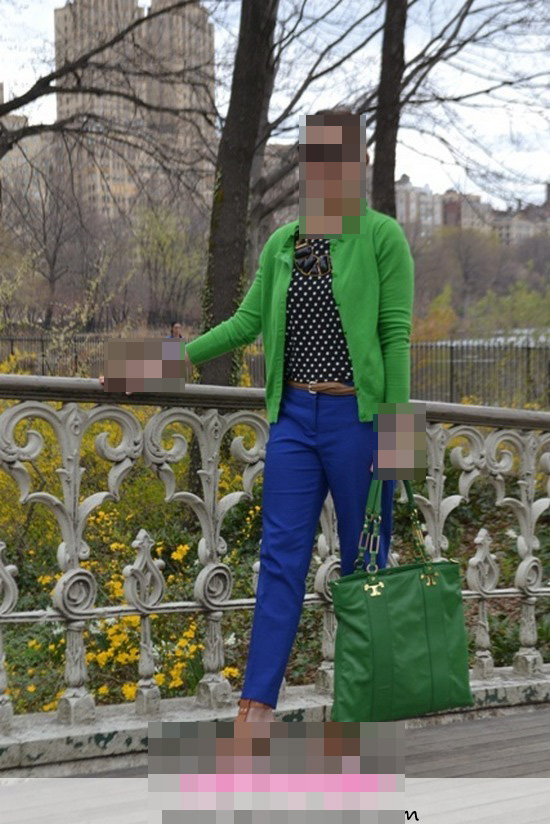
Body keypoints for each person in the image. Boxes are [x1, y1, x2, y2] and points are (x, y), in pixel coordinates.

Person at [184, 110, 415, 722]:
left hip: (359, 423)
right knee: (280, 564)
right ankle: (255, 714)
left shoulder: (382, 237)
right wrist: (157, 363)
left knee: (367, 568)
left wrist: (398, 443)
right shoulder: (287, 242)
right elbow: (245, 324)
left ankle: (367, 712)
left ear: (359, 164)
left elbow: (395, 339)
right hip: (293, 423)